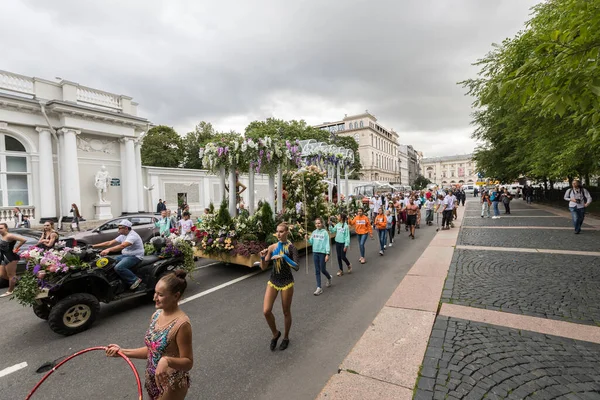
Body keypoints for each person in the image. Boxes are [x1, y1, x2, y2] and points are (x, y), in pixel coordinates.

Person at [106, 270, 193, 400]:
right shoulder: (156, 315)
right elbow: (152, 351)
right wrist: (122, 351)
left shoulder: (182, 325)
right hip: (152, 379)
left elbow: (188, 362)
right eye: (155, 293)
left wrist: (167, 360)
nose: (155, 298)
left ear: (176, 296)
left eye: (161, 295)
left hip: (171, 383)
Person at [259, 223, 299, 351]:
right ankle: (276, 333)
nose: (279, 234)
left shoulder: (291, 248)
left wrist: (284, 256)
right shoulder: (272, 247)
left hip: (287, 281)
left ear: (287, 232)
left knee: (286, 311)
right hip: (273, 280)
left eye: (281, 232)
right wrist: (261, 256)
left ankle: (286, 337)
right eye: (277, 232)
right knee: (266, 311)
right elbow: (263, 267)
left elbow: (296, 267)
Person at [93, 219, 144, 290]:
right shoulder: (123, 235)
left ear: (126, 228)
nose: (118, 229)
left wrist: (108, 250)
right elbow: (109, 243)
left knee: (119, 267)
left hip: (135, 256)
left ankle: (135, 280)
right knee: (110, 262)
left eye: (120, 228)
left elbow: (122, 246)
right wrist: (93, 246)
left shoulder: (133, 236)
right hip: (125, 255)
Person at [0, 223, 27, 297]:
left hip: (10, 257)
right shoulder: (1, 236)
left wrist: (16, 248)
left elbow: (23, 240)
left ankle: (10, 290)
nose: (0, 230)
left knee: (11, 275)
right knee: (2, 275)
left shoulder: (9, 236)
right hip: (3, 257)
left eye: (1, 228)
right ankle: (20, 282)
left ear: (6, 228)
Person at [307, 217, 332, 296]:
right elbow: (311, 242)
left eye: (319, 223)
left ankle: (329, 277)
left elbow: (327, 243)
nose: (317, 225)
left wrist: (327, 254)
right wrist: (307, 238)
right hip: (315, 252)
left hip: (322, 253)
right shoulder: (314, 232)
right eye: (316, 223)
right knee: (317, 270)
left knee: (322, 269)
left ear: (322, 224)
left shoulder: (325, 233)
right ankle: (319, 287)